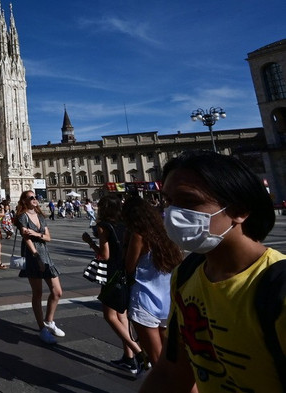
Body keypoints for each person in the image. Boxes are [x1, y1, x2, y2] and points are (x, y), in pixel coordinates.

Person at [141, 151, 285, 393]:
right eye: (168, 201)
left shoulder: (277, 287)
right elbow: (170, 374)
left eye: (189, 201)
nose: (173, 214)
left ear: (239, 210)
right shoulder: (187, 273)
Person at [82, 194, 145, 374]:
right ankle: (129, 358)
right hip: (125, 272)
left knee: (110, 316)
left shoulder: (103, 227)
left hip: (112, 274)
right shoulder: (125, 224)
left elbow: (105, 255)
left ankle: (139, 353)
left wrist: (89, 242)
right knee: (122, 315)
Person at [122, 194, 182, 367]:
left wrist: (126, 242)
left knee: (157, 361)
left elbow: (129, 266)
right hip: (167, 301)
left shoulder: (139, 236)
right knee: (169, 355)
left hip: (145, 300)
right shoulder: (164, 233)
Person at [14, 190, 64, 344]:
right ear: (24, 201)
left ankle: (49, 321)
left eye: (36, 197)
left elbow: (48, 237)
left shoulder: (41, 216)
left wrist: (37, 235)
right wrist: (36, 256)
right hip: (33, 255)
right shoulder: (22, 217)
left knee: (57, 292)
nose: (35, 199)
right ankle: (42, 328)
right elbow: (26, 239)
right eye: (31, 198)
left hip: (45, 254)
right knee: (38, 293)